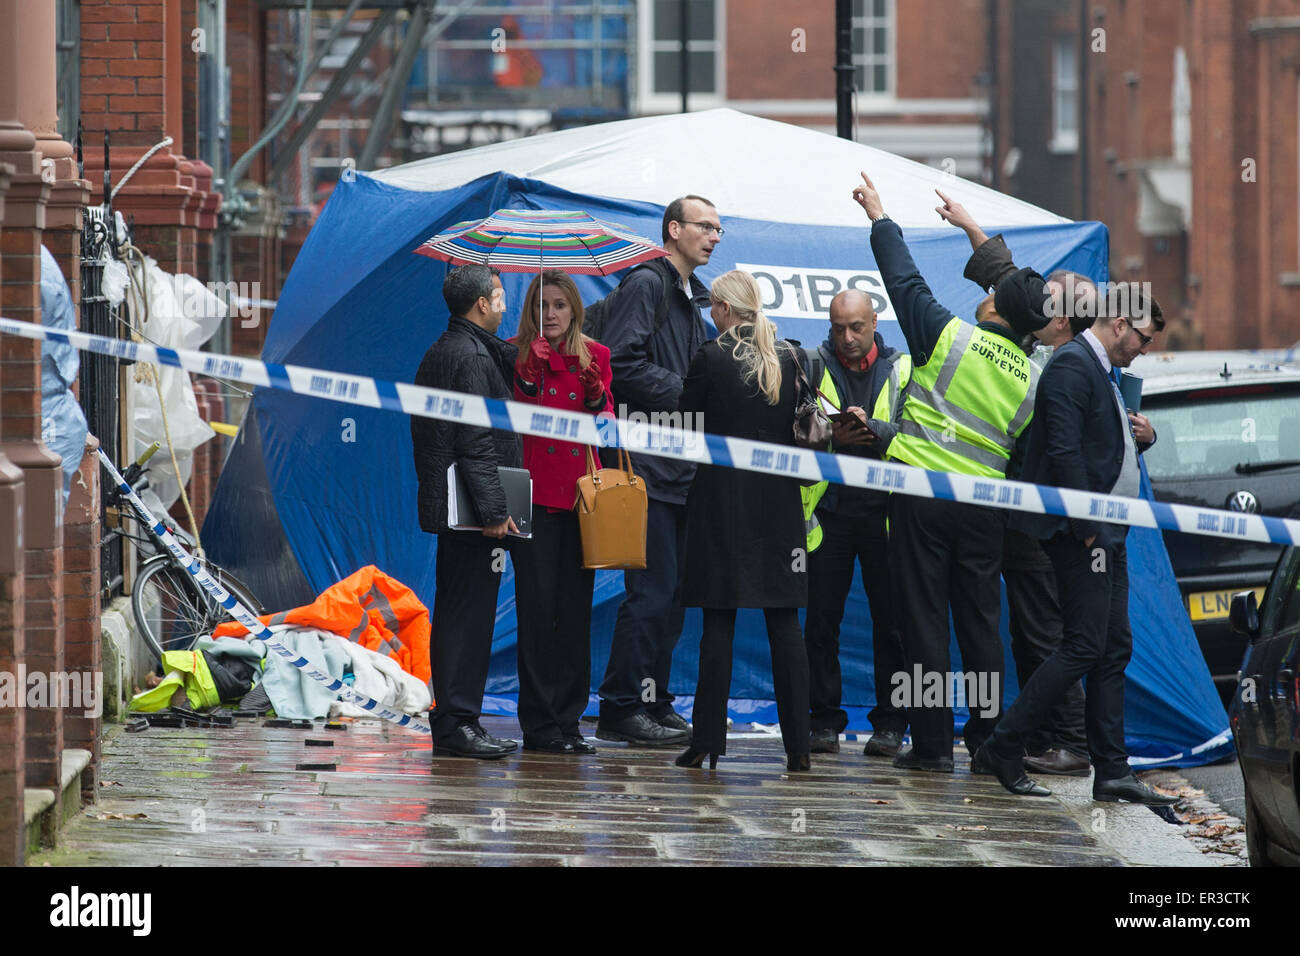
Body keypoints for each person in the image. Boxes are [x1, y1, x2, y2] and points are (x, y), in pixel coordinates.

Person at [852, 172, 1045, 774]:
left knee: (923, 622)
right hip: (983, 510)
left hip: (920, 498)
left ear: (993, 306)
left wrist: (880, 216)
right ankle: (987, 742)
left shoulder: (948, 337)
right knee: (981, 626)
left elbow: (902, 278)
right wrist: (971, 228)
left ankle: (932, 748)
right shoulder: (1037, 380)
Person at [976, 288, 1177, 805]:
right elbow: (1063, 450)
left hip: (1109, 532)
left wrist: (1143, 439)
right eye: (1143, 338)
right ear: (1117, 323)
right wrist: (1088, 525)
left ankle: (1112, 771)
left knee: (1113, 647)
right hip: (1086, 533)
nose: (1144, 349)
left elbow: (1096, 444)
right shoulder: (1071, 365)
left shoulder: (1100, 369)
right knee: (1085, 645)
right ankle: (1003, 744)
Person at [937, 192, 1096, 776]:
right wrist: (970, 226)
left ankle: (1070, 743)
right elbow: (1006, 278)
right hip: (1020, 518)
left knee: (1044, 635)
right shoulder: (1046, 341)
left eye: (1046, 297)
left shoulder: (1067, 366)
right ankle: (1035, 737)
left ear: (1058, 319)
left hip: (1041, 525)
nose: (1029, 298)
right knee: (1033, 633)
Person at [674, 270, 811, 771]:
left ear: (726, 310)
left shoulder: (711, 358)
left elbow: (686, 421)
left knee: (718, 624)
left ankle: (707, 741)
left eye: (714, 308)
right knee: (785, 626)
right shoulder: (793, 356)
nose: (711, 315)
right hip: (779, 507)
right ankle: (800, 748)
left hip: (721, 506)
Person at [596, 195, 718, 747]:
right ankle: (621, 707)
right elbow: (620, 363)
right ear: (674, 229)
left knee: (671, 596)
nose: (715, 237)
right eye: (705, 227)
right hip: (646, 468)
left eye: (719, 229)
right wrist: (691, 395)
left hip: (682, 471)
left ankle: (653, 699)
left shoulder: (692, 299)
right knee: (650, 593)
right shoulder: (647, 284)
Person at [411, 264, 523, 760]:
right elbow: (477, 442)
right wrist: (495, 510)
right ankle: (459, 723)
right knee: (469, 618)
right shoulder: (472, 357)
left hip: (456, 509)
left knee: (457, 611)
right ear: (482, 303)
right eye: (500, 297)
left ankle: (456, 721)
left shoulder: (444, 350)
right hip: (474, 514)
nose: (505, 305)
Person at [799, 289, 911, 758]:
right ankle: (822, 722)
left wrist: (874, 430)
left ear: (875, 321)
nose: (846, 337)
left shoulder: (904, 368)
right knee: (821, 624)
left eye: (856, 327)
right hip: (829, 515)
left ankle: (891, 726)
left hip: (887, 516)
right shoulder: (809, 364)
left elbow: (919, 437)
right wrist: (829, 434)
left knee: (895, 626)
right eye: (838, 327)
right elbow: (792, 430)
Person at [508, 271, 613, 755]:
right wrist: (526, 378)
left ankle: (569, 722)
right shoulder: (514, 352)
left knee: (574, 615)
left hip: (578, 500)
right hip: (528, 499)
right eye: (540, 305)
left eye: (558, 305)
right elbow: (505, 424)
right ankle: (538, 724)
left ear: (574, 310)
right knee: (535, 613)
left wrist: (595, 395)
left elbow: (608, 429)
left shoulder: (598, 356)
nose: (549, 314)